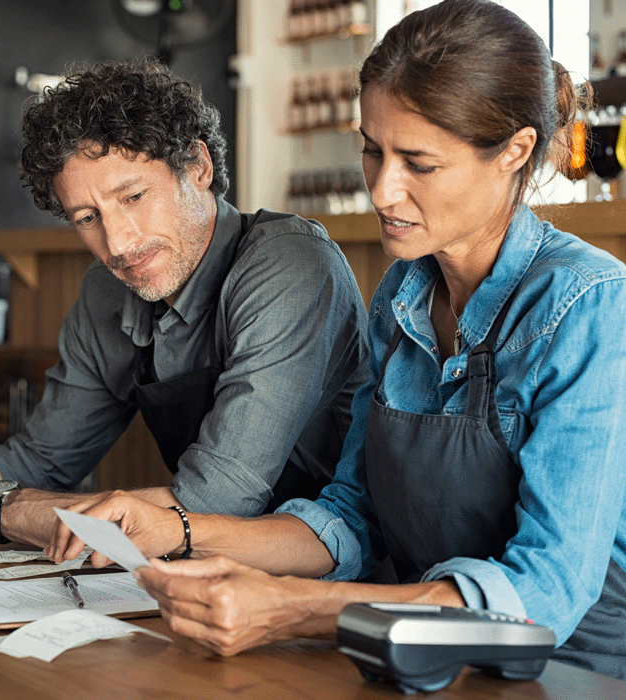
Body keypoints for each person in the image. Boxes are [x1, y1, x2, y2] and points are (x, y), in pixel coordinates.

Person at [47, 0, 626, 679]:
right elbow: (352, 517)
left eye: (418, 163)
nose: (382, 190)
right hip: (416, 658)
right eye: (372, 151)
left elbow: (546, 592)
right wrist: (176, 530)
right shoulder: (401, 297)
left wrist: (296, 609)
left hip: (573, 672)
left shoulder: (590, 306)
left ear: (515, 152)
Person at [0, 58, 369, 549]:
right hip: (206, 577)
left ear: (198, 167)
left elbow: (212, 503)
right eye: (87, 218)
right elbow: (41, 457)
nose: (118, 243)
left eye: (134, 196)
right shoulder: (108, 290)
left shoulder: (289, 265)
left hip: (333, 572)